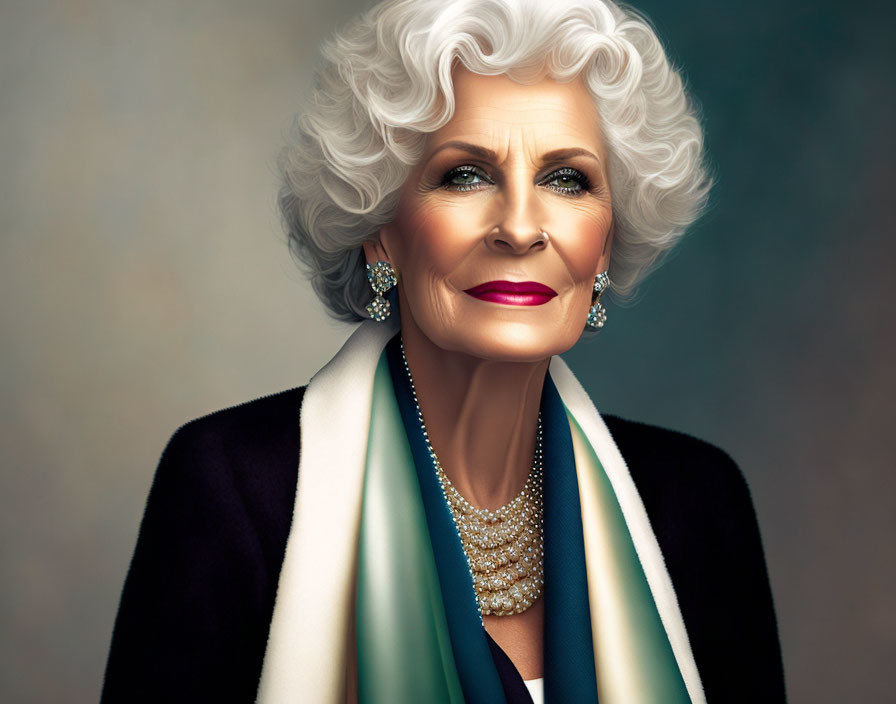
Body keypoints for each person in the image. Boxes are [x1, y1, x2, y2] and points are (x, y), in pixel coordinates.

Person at [102, 0, 785, 702]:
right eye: (466, 175)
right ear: (381, 231)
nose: (520, 227)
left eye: (566, 179)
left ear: (606, 242)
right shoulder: (234, 491)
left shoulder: (697, 504)